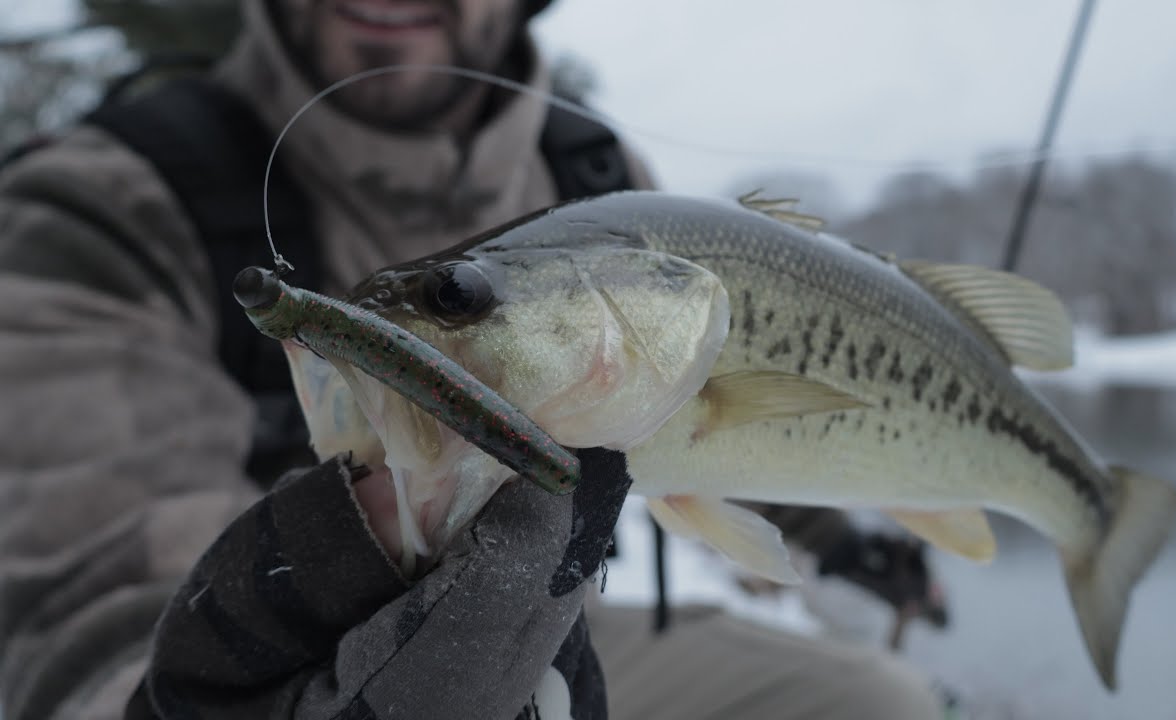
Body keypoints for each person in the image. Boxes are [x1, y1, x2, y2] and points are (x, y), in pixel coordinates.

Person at [0, 1, 944, 717]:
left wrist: (839, 541)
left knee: (877, 702)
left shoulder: (600, 180)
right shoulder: (102, 203)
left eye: (455, 300)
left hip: (560, 622)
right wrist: (176, 697)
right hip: (264, 673)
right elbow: (81, 593)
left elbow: (695, 408)